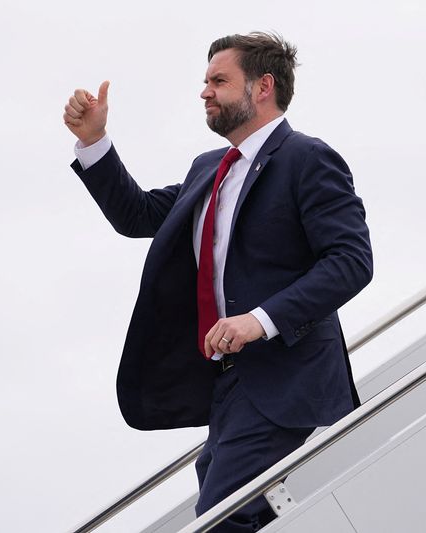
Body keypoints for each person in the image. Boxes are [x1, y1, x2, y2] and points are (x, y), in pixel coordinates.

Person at [63, 32, 373, 532]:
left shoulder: (307, 158)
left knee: (221, 518)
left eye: (218, 80)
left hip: (284, 377)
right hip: (226, 384)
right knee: (230, 506)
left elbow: (351, 261)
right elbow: (137, 214)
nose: (204, 91)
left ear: (262, 86)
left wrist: (260, 321)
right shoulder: (209, 169)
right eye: (205, 81)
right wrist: (95, 141)